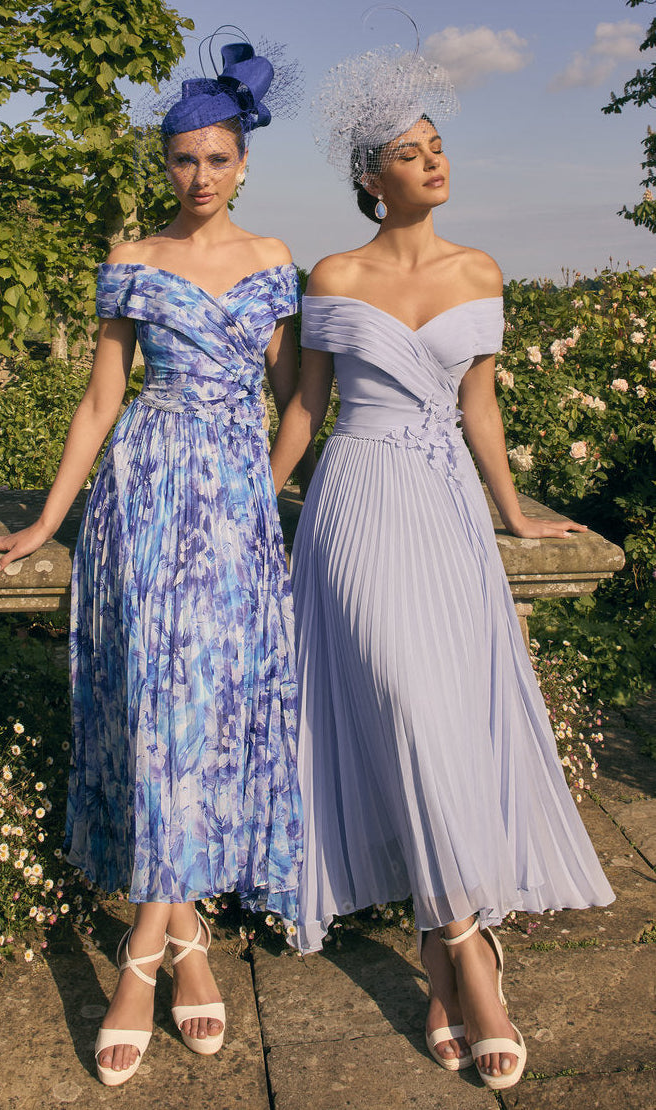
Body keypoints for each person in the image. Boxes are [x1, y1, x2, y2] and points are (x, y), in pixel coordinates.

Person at [269, 46, 614, 1093]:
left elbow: (481, 406)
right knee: (407, 707)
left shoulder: (479, 273)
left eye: (438, 146)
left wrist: (514, 514)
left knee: (448, 718)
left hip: (451, 515)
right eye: (411, 154)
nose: (434, 161)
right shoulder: (333, 276)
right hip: (359, 504)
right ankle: (473, 958)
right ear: (371, 178)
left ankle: (435, 952)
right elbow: (305, 410)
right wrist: (251, 499)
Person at [0, 36, 305, 1087]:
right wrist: (44, 522)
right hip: (146, 497)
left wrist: (264, 484)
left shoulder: (273, 260)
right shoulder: (132, 260)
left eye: (214, 159)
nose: (197, 177)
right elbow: (101, 399)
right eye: (180, 161)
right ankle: (181, 935)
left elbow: (302, 397)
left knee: (211, 716)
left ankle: (146, 951)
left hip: (235, 505)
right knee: (158, 714)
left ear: (242, 162)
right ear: (164, 165)